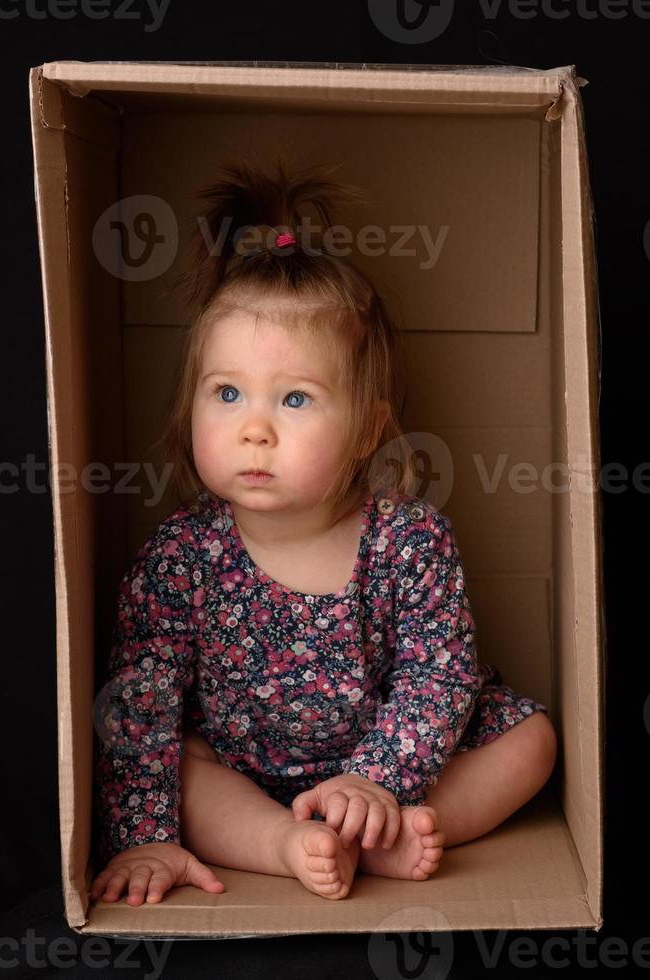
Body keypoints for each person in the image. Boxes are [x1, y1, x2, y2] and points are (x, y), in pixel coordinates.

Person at [90, 158, 557, 907]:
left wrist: (378, 780)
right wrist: (147, 832)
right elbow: (140, 702)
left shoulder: (407, 539)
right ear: (191, 405)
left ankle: (393, 831)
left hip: (392, 762)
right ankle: (285, 845)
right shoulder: (180, 557)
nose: (254, 429)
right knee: (179, 762)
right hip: (247, 775)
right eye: (228, 393)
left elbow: (440, 674)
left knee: (532, 741)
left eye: (297, 398)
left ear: (368, 429)